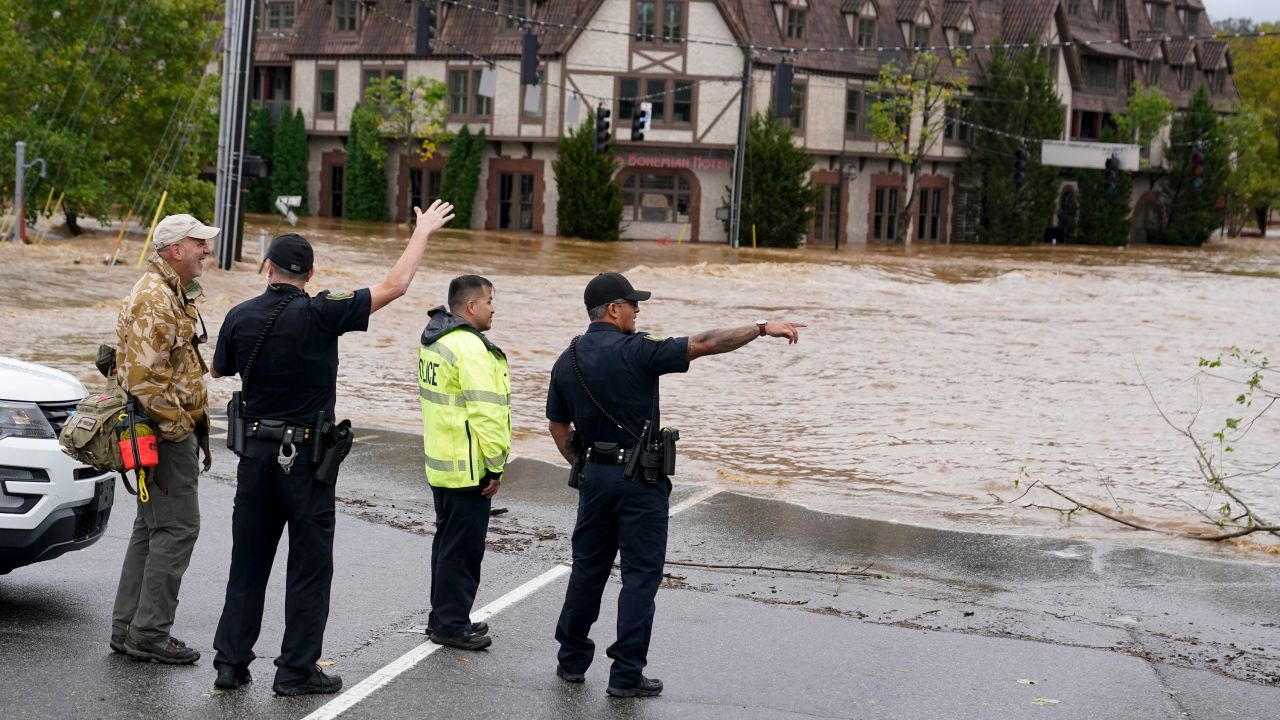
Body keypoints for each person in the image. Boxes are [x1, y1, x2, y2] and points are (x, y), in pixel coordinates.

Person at [210, 199, 454, 696]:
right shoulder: (324, 311)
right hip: (307, 461)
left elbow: (217, 371)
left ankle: (230, 665)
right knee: (309, 567)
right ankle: (296, 670)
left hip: (255, 456)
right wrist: (423, 230)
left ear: (267, 267)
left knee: (248, 564)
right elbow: (396, 286)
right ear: (312, 273)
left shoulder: (239, 316)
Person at [546, 272, 804, 698]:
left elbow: (558, 426)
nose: (638, 310)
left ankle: (571, 662)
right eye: (632, 304)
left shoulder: (566, 358)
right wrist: (761, 328)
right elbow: (706, 342)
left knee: (588, 571)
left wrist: (587, 466)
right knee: (639, 578)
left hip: (594, 478)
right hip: (639, 482)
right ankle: (625, 676)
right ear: (613, 309)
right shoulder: (639, 351)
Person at [111, 213, 217, 665]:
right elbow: (145, 381)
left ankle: (129, 628)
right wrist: (179, 430)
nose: (206, 251)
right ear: (175, 250)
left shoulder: (165, 291)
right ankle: (149, 633)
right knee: (177, 529)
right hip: (162, 432)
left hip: (154, 430)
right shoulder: (156, 298)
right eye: (199, 244)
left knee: (152, 527)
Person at [418, 275, 510, 651]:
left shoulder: (435, 341)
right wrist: (496, 465)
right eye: (490, 300)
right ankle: (451, 625)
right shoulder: (470, 348)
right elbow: (487, 412)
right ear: (471, 306)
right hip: (470, 468)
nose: (493, 307)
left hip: (442, 464)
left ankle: (442, 616)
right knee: (462, 550)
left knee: (446, 544)